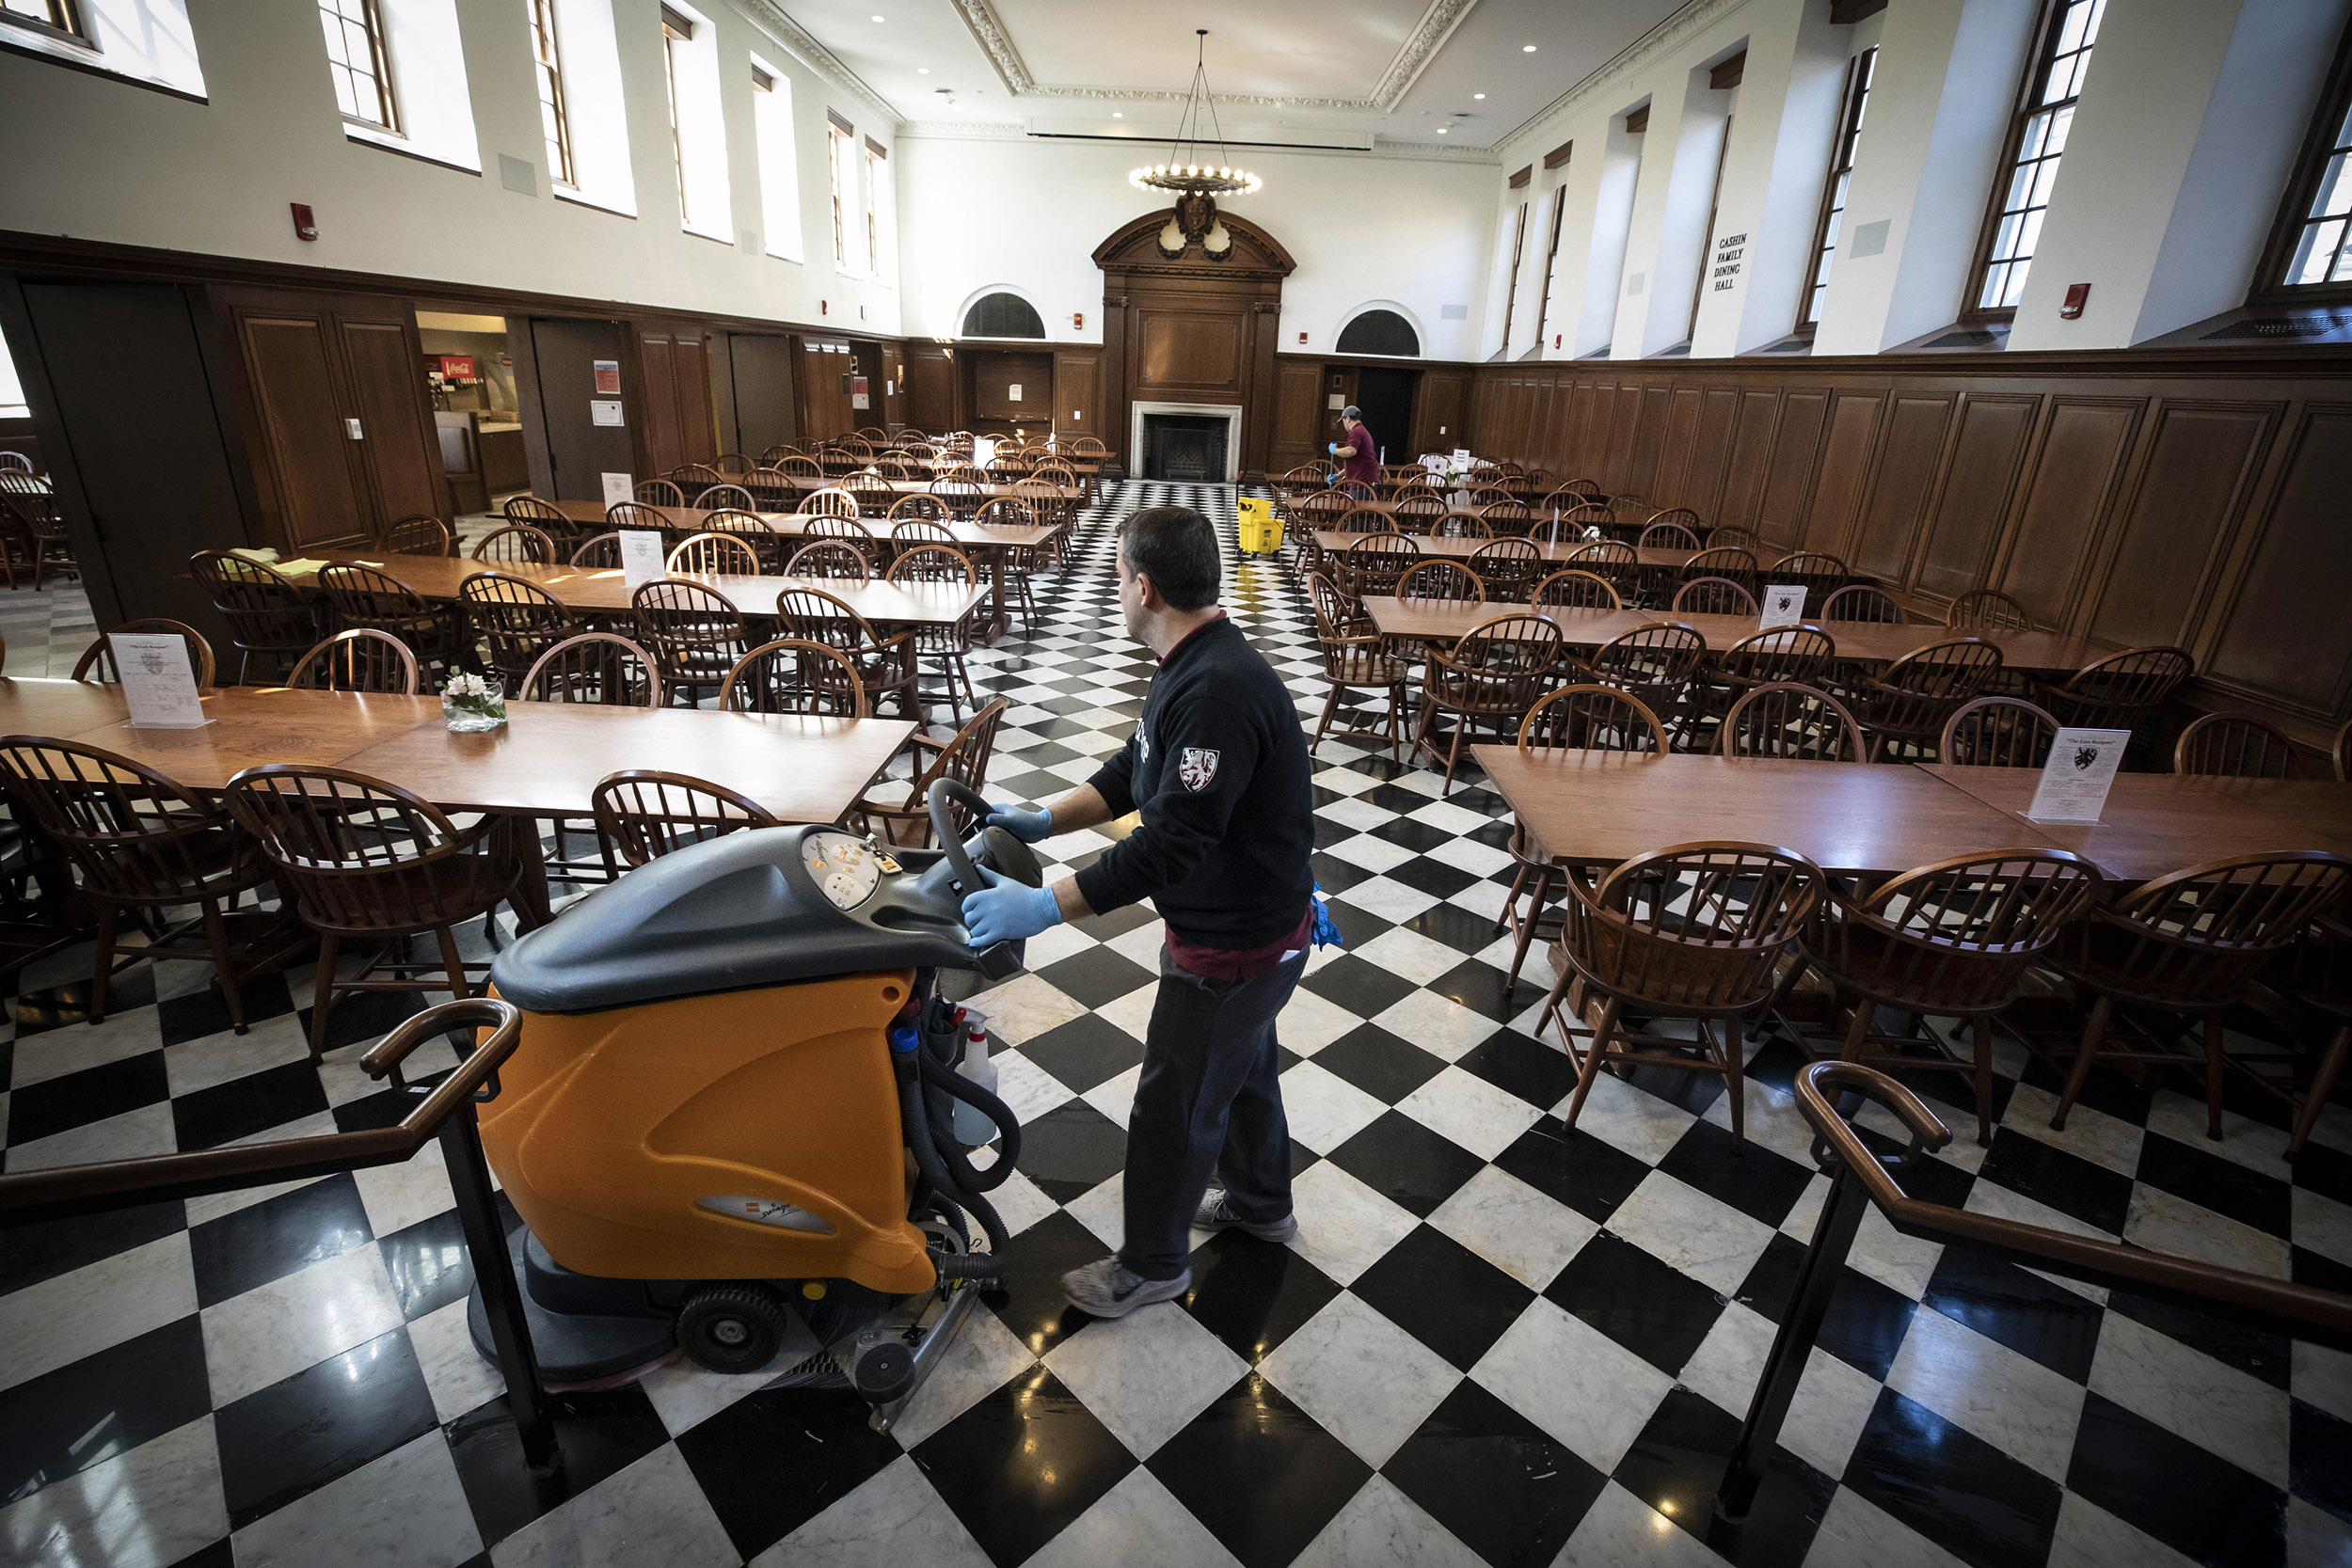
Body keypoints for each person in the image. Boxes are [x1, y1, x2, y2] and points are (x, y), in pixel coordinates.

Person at [959, 504, 1317, 1318]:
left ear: (1143, 586)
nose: (1116, 591)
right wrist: (1045, 818)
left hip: (1235, 946)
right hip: (1252, 933)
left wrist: (1047, 906)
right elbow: (1137, 767)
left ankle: (1154, 1264)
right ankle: (1263, 1205)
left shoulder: (1218, 689)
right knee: (1244, 1070)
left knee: (1175, 1103)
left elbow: (1169, 846)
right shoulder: (1193, 662)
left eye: (1119, 578)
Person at [1328, 404, 1380, 490]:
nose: (1344, 424)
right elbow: (1357, 462)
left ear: (1348, 419)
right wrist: (1338, 475)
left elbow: (1351, 451)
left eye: (1343, 420)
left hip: (1362, 481)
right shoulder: (1362, 430)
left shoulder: (1356, 431)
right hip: (1367, 480)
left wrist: (1335, 450)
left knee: (1358, 504)